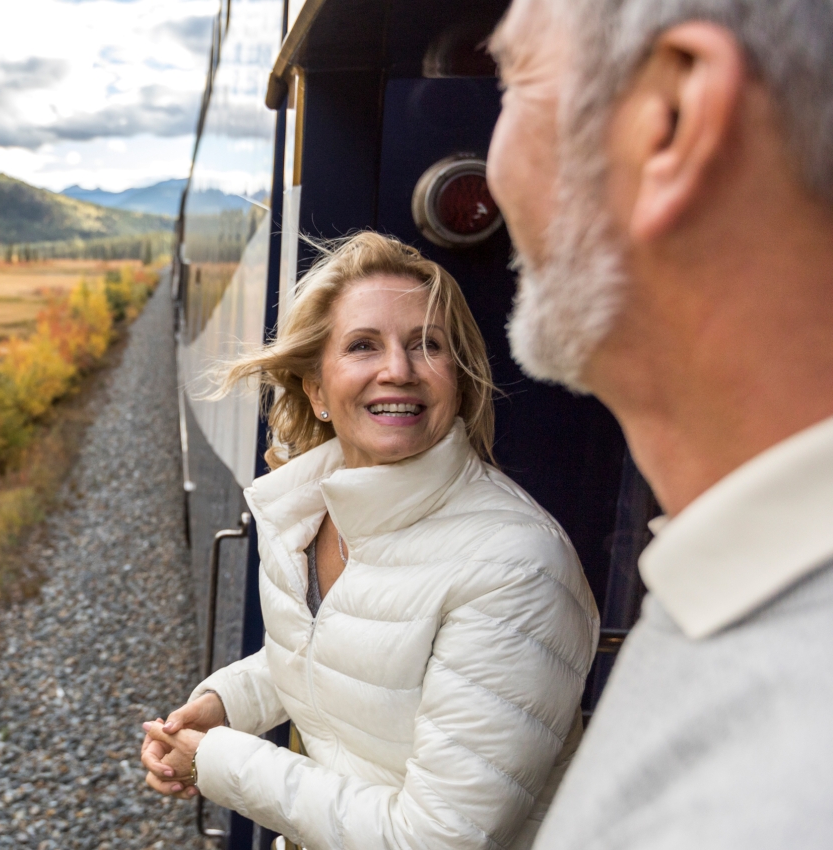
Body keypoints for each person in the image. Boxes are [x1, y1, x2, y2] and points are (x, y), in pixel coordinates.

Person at [485, 0, 833, 846]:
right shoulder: (734, 599)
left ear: (669, 120)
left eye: (514, 78)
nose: (494, 170)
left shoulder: (763, 801)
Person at [140, 232, 599, 849]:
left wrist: (217, 762)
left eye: (426, 346)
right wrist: (227, 703)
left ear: (457, 382)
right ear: (317, 390)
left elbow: (437, 839)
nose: (398, 370)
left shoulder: (515, 564)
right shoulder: (304, 512)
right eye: (363, 346)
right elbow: (345, 656)